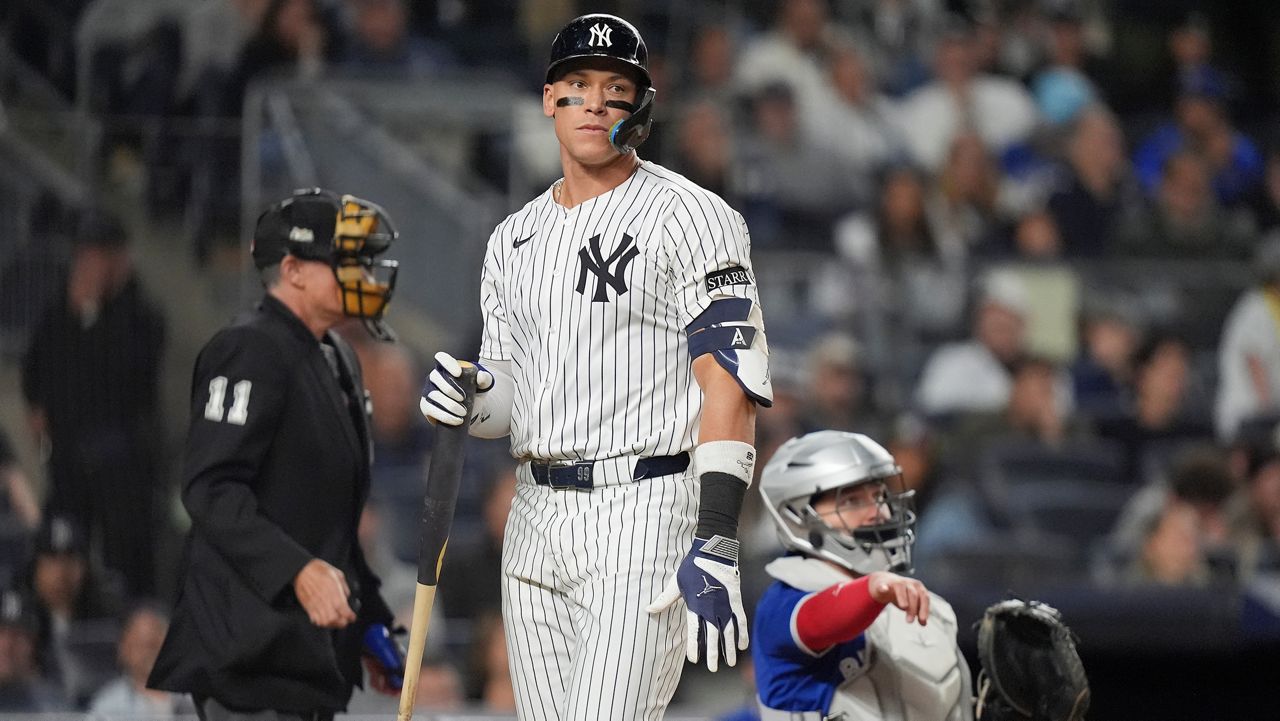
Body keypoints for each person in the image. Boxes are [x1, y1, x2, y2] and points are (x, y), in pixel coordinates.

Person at [421, 13, 773, 720]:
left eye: (616, 88)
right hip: (534, 512)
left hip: (641, 507)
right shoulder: (512, 238)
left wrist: (716, 534)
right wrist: (473, 397)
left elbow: (727, 381)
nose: (596, 103)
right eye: (578, 84)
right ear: (549, 98)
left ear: (639, 106)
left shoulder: (692, 215)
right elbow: (509, 399)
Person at [147, 189, 406, 720]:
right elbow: (211, 489)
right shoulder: (248, 349)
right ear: (293, 270)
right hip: (249, 660)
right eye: (344, 260)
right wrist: (298, 572)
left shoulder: (338, 359)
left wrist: (369, 622)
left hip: (307, 664)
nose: (361, 273)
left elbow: (326, 523)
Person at [752, 431, 973, 720]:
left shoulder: (918, 602)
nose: (879, 512)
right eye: (852, 501)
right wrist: (873, 589)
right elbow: (818, 621)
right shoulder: (783, 601)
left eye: (879, 495)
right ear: (800, 516)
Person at [21, 210, 167, 596]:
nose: (88, 267)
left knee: (126, 568)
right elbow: (35, 367)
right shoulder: (59, 313)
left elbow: (125, 381)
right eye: (83, 257)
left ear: (120, 259)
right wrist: (37, 411)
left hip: (122, 467)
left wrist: (90, 314)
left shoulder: (142, 319)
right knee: (59, 552)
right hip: (69, 464)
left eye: (97, 257)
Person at [88, 601, 193, 716]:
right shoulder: (107, 706)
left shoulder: (196, 697)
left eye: (155, 644)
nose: (150, 654)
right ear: (123, 649)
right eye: (141, 645)